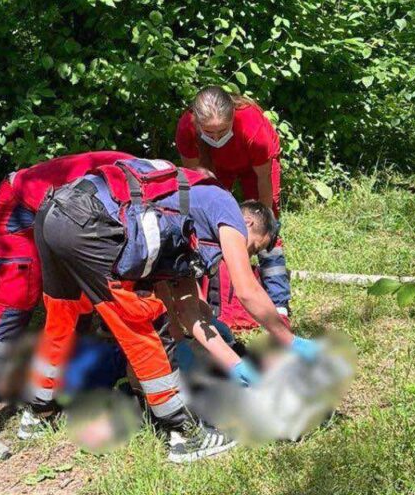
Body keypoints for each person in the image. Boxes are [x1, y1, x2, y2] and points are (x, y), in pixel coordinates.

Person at [27, 156, 318, 463]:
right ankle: (185, 436)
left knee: (62, 319)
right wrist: (289, 339)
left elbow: (188, 312)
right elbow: (247, 291)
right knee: (142, 325)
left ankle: (37, 413)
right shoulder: (226, 209)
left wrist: (238, 369)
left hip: (55, 212)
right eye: (255, 248)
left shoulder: (187, 226)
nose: (250, 255)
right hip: (87, 220)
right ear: (247, 224)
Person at [0, 151, 135, 462]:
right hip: (20, 207)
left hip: (63, 213)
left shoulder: (155, 187)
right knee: (15, 300)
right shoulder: (143, 190)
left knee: (73, 299)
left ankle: (53, 392)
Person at [176, 87, 290, 328]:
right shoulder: (186, 128)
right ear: (196, 122)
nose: (216, 138)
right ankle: (216, 298)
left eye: (222, 131)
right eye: (209, 132)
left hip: (256, 169)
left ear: (232, 120)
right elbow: (196, 183)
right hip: (216, 167)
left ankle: (279, 303)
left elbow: (263, 179)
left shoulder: (251, 124)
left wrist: (264, 218)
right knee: (208, 224)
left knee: (268, 230)